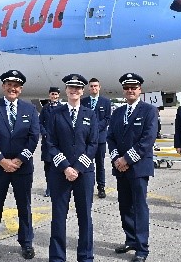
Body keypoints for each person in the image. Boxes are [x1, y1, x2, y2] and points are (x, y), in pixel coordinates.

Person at [0, 70, 40, 261]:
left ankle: (26, 243)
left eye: (16, 85)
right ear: (3, 86)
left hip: (22, 168)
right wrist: (1, 160)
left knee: (24, 207)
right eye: (9, 84)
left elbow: (33, 137)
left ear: (20, 89)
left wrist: (19, 160)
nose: (12, 88)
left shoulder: (30, 109)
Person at [107, 73, 157, 262]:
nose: (130, 91)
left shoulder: (149, 111)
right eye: (127, 88)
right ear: (123, 90)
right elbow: (110, 137)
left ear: (139, 90)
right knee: (125, 206)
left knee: (139, 207)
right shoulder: (118, 112)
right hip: (120, 168)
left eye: (133, 87)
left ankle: (142, 249)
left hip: (138, 167)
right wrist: (116, 159)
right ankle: (130, 240)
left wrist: (126, 159)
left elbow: (147, 140)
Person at [47, 74, 98, 262]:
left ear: (82, 91)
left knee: (85, 217)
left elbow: (93, 144)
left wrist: (77, 168)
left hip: (83, 174)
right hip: (60, 173)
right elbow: (50, 143)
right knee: (58, 217)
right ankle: (57, 257)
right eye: (71, 87)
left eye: (78, 88)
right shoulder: (55, 114)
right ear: (66, 90)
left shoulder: (90, 114)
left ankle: (85, 256)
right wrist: (66, 167)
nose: (74, 91)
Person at [81, 78, 111, 198]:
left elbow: (107, 118)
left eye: (96, 86)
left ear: (99, 87)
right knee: (86, 163)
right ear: (89, 88)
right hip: (86, 139)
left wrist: (95, 128)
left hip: (100, 139)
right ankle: (86, 186)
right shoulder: (84, 101)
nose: (94, 88)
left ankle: (101, 187)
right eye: (92, 86)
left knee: (100, 164)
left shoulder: (106, 102)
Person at [39, 86, 61, 197]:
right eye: (52, 94)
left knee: (58, 163)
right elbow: (40, 123)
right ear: (49, 95)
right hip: (47, 141)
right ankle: (49, 187)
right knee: (47, 165)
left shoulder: (63, 108)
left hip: (59, 142)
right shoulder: (45, 108)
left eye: (56, 94)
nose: (54, 96)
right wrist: (44, 133)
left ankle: (58, 186)